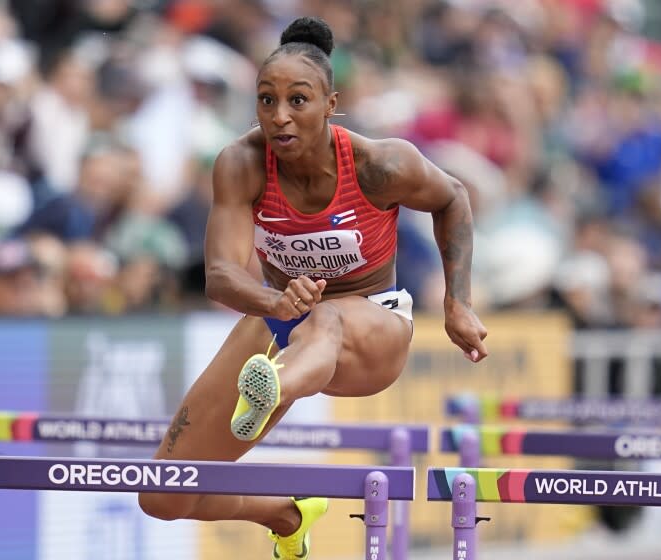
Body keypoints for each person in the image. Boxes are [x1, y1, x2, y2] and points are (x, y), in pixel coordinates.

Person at [138, 16, 488, 559]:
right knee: (163, 494)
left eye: (297, 101)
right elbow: (221, 275)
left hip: (372, 325)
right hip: (280, 320)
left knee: (326, 317)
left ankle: (275, 385)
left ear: (331, 103)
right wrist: (274, 302)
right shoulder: (241, 163)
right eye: (265, 100)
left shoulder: (380, 163)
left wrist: (457, 303)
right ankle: (286, 512)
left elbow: (454, 197)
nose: (280, 117)